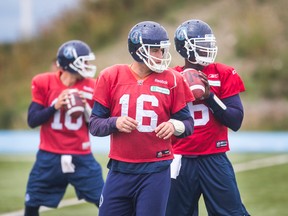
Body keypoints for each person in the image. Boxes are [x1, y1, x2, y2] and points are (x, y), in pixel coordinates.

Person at [89, 21, 195, 216]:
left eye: (162, 50)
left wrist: (174, 125)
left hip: (156, 170)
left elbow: (189, 125)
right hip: (120, 169)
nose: (160, 55)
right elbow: (94, 125)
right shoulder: (110, 76)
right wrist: (115, 122)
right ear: (138, 50)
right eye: (155, 50)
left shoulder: (173, 79)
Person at [166, 19, 250, 216]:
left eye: (209, 44)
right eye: (202, 46)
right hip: (179, 158)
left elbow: (235, 121)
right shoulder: (170, 77)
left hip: (215, 157)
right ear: (186, 48)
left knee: (231, 213)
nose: (208, 49)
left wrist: (210, 97)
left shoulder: (224, 73)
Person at [24, 40, 104, 216]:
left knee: (105, 201)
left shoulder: (92, 86)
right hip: (49, 155)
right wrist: (55, 105)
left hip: (81, 156)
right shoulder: (43, 82)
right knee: (31, 203)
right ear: (70, 62)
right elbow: (32, 120)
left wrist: (86, 110)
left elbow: (96, 125)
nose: (88, 66)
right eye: (84, 61)